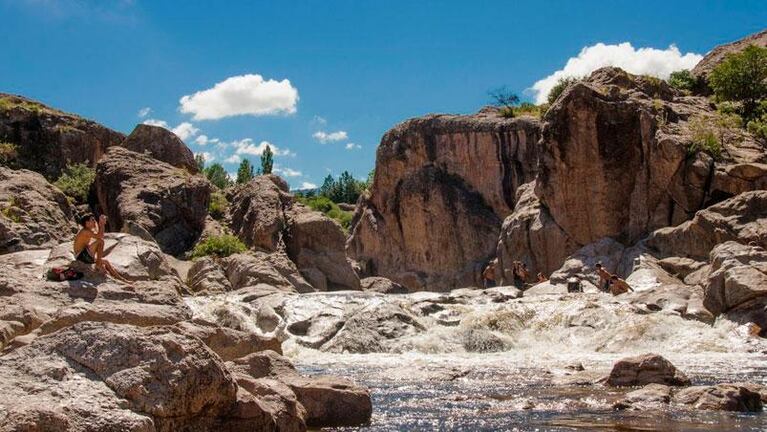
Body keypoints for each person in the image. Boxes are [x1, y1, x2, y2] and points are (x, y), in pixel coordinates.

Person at [73, 214, 130, 283]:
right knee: (100, 241)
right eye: (92, 220)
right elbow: (100, 236)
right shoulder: (85, 231)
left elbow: (98, 231)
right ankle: (98, 264)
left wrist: (100, 223)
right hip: (81, 256)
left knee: (106, 262)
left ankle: (121, 279)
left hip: (85, 255)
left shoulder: (89, 230)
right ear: (87, 223)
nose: (94, 221)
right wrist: (102, 224)